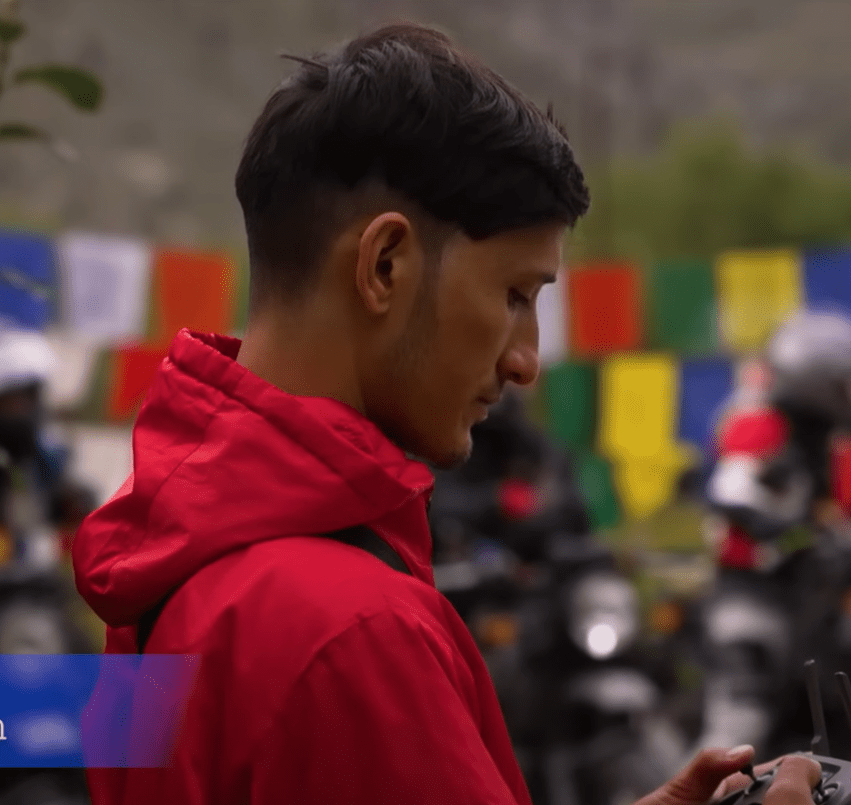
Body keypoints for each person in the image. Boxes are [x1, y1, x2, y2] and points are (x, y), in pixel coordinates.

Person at [72, 21, 821, 805]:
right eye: (514, 295)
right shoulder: (351, 631)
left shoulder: (163, 576)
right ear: (384, 266)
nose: (526, 359)